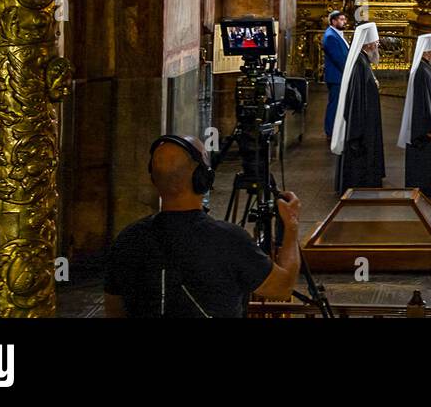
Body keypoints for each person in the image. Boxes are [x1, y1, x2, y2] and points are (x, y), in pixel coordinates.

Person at [104, 135, 301, 317]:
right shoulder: (229, 240)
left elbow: (114, 310)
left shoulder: (127, 240)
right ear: (204, 179)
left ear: (154, 180)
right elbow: (282, 288)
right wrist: (290, 226)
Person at [330, 22, 386, 194]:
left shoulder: (363, 61)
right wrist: (356, 133)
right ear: (368, 44)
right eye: (376, 42)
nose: (378, 45)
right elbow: (355, 100)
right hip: (361, 125)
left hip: (366, 121)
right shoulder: (359, 65)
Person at [399, 33, 431, 197]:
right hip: (428, 129)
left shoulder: (427, 68)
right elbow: (423, 103)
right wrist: (430, 127)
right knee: (427, 161)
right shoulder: (421, 72)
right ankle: (429, 186)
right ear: (426, 52)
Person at [321, 11, 350, 140]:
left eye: (344, 19)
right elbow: (338, 58)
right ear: (333, 21)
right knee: (335, 103)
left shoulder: (336, 34)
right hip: (336, 76)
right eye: (341, 19)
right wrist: (348, 71)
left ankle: (335, 129)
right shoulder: (331, 36)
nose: (344, 22)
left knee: (338, 103)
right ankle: (330, 131)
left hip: (339, 75)